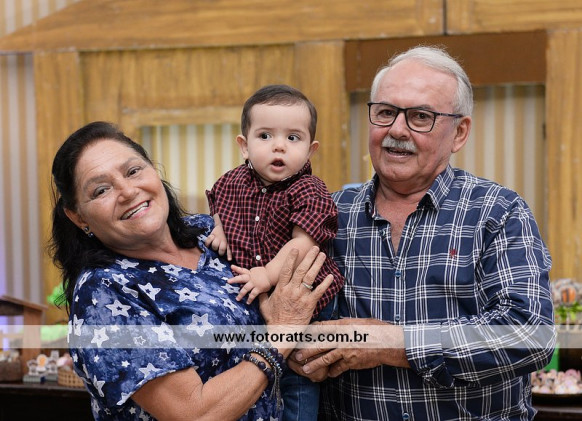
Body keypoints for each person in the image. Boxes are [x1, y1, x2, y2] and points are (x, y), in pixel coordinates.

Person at [291, 45, 555, 420]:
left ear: (459, 132)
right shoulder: (326, 215)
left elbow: (529, 335)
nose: (397, 130)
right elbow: (284, 319)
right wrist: (299, 354)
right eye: (385, 112)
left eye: (420, 117)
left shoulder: (498, 211)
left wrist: (391, 342)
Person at [49, 121, 333, 421]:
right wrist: (281, 337)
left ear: (154, 171)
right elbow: (195, 414)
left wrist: (306, 354)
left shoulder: (209, 232)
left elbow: (280, 308)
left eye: (133, 171)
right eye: (101, 190)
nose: (128, 191)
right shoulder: (102, 294)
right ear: (79, 217)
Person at [205, 84, 344, 421]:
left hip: (306, 302)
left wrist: (267, 275)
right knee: (260, 376)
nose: (279, 146)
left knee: (298, 375)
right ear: (244, 145)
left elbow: (302, 245)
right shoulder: (232, 182)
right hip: (258, 298)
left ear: (310, 150)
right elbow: (216, 200)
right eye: (265, 136)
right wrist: (219, 226)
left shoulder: (310, 190)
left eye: (293, 138)